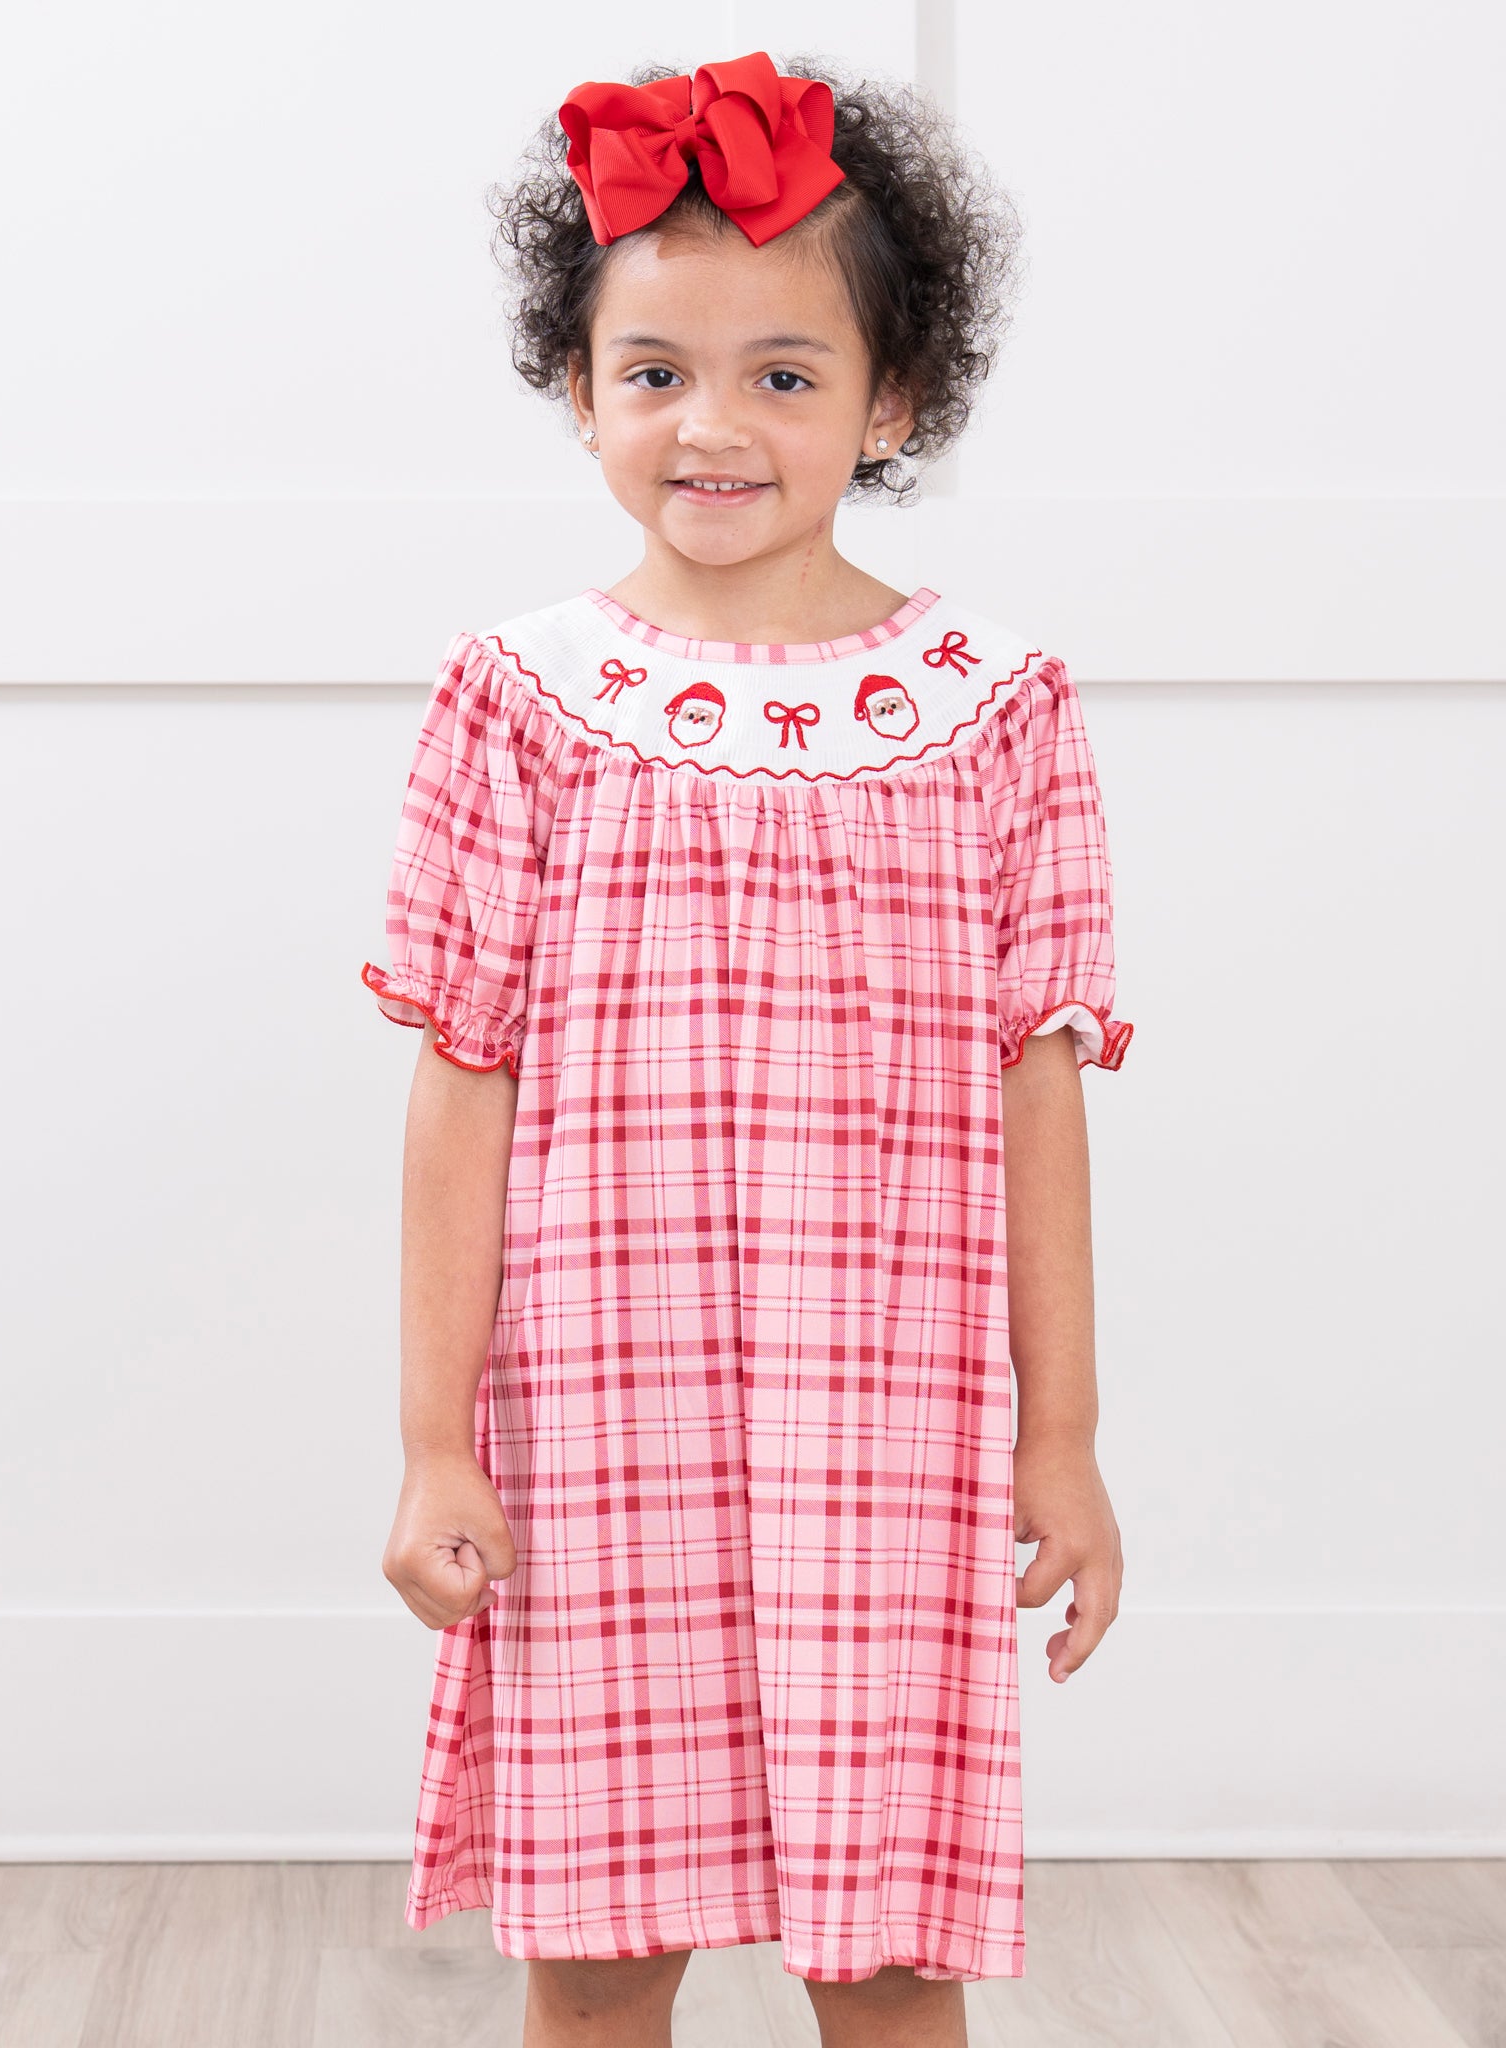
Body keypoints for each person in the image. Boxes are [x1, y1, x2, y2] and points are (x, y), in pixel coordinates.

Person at [362, 49, 1135, 2048]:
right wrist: (435, 1438)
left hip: (884, 1437)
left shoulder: (992, 708)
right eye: (656, 372)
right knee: (602, 1957)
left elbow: (1034, 1090)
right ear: (580, 386)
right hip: (595, 1436)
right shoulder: (520, 700)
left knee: (884, 1963)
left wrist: (1060, 1436)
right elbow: (462, 1080)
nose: (712, 426)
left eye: (784, 374)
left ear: (894, 399)